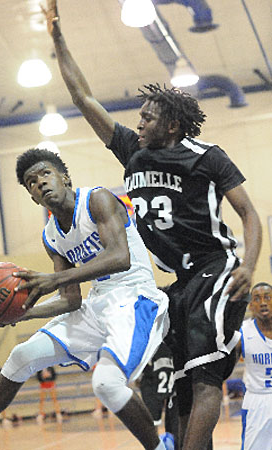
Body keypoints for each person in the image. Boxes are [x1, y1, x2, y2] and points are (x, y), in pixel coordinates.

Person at [42, 2, 262, 449]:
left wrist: (249, 264)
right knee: (182, 382)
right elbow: (84, 99)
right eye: (139, 117)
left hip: (214, 269)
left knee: (203, 379)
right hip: (176, 282)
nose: (138, 122)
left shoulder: (207, 156)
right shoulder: (133, 152)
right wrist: (58, 39)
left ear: (172, 125)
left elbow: (249, 214)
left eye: (147, 117)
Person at [0, 148, 171, 450]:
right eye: (31, 182)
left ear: (64, 178)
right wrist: (22, 313)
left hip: (135, 298)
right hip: (97, 305)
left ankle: (160, 448)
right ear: (32, 197)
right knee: (21, 356)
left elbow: (120, 257)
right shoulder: (51, 236)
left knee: (105, 384)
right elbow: (71, 300)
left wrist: (54, 279)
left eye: (45, 174)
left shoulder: (97, 199)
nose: (39, 183)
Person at [236, 282, 272, 450]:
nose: (263, 302)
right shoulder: (243, 332)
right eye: (257, 299)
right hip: (256, 401)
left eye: (268, 297)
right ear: (251, 305)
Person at [139, 341, 179, 449]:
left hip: (156, 384)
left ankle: (155, 446)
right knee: (155, 423)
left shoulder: (149, 345)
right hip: (163, 382)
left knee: (154, 424)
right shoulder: (172, 343)